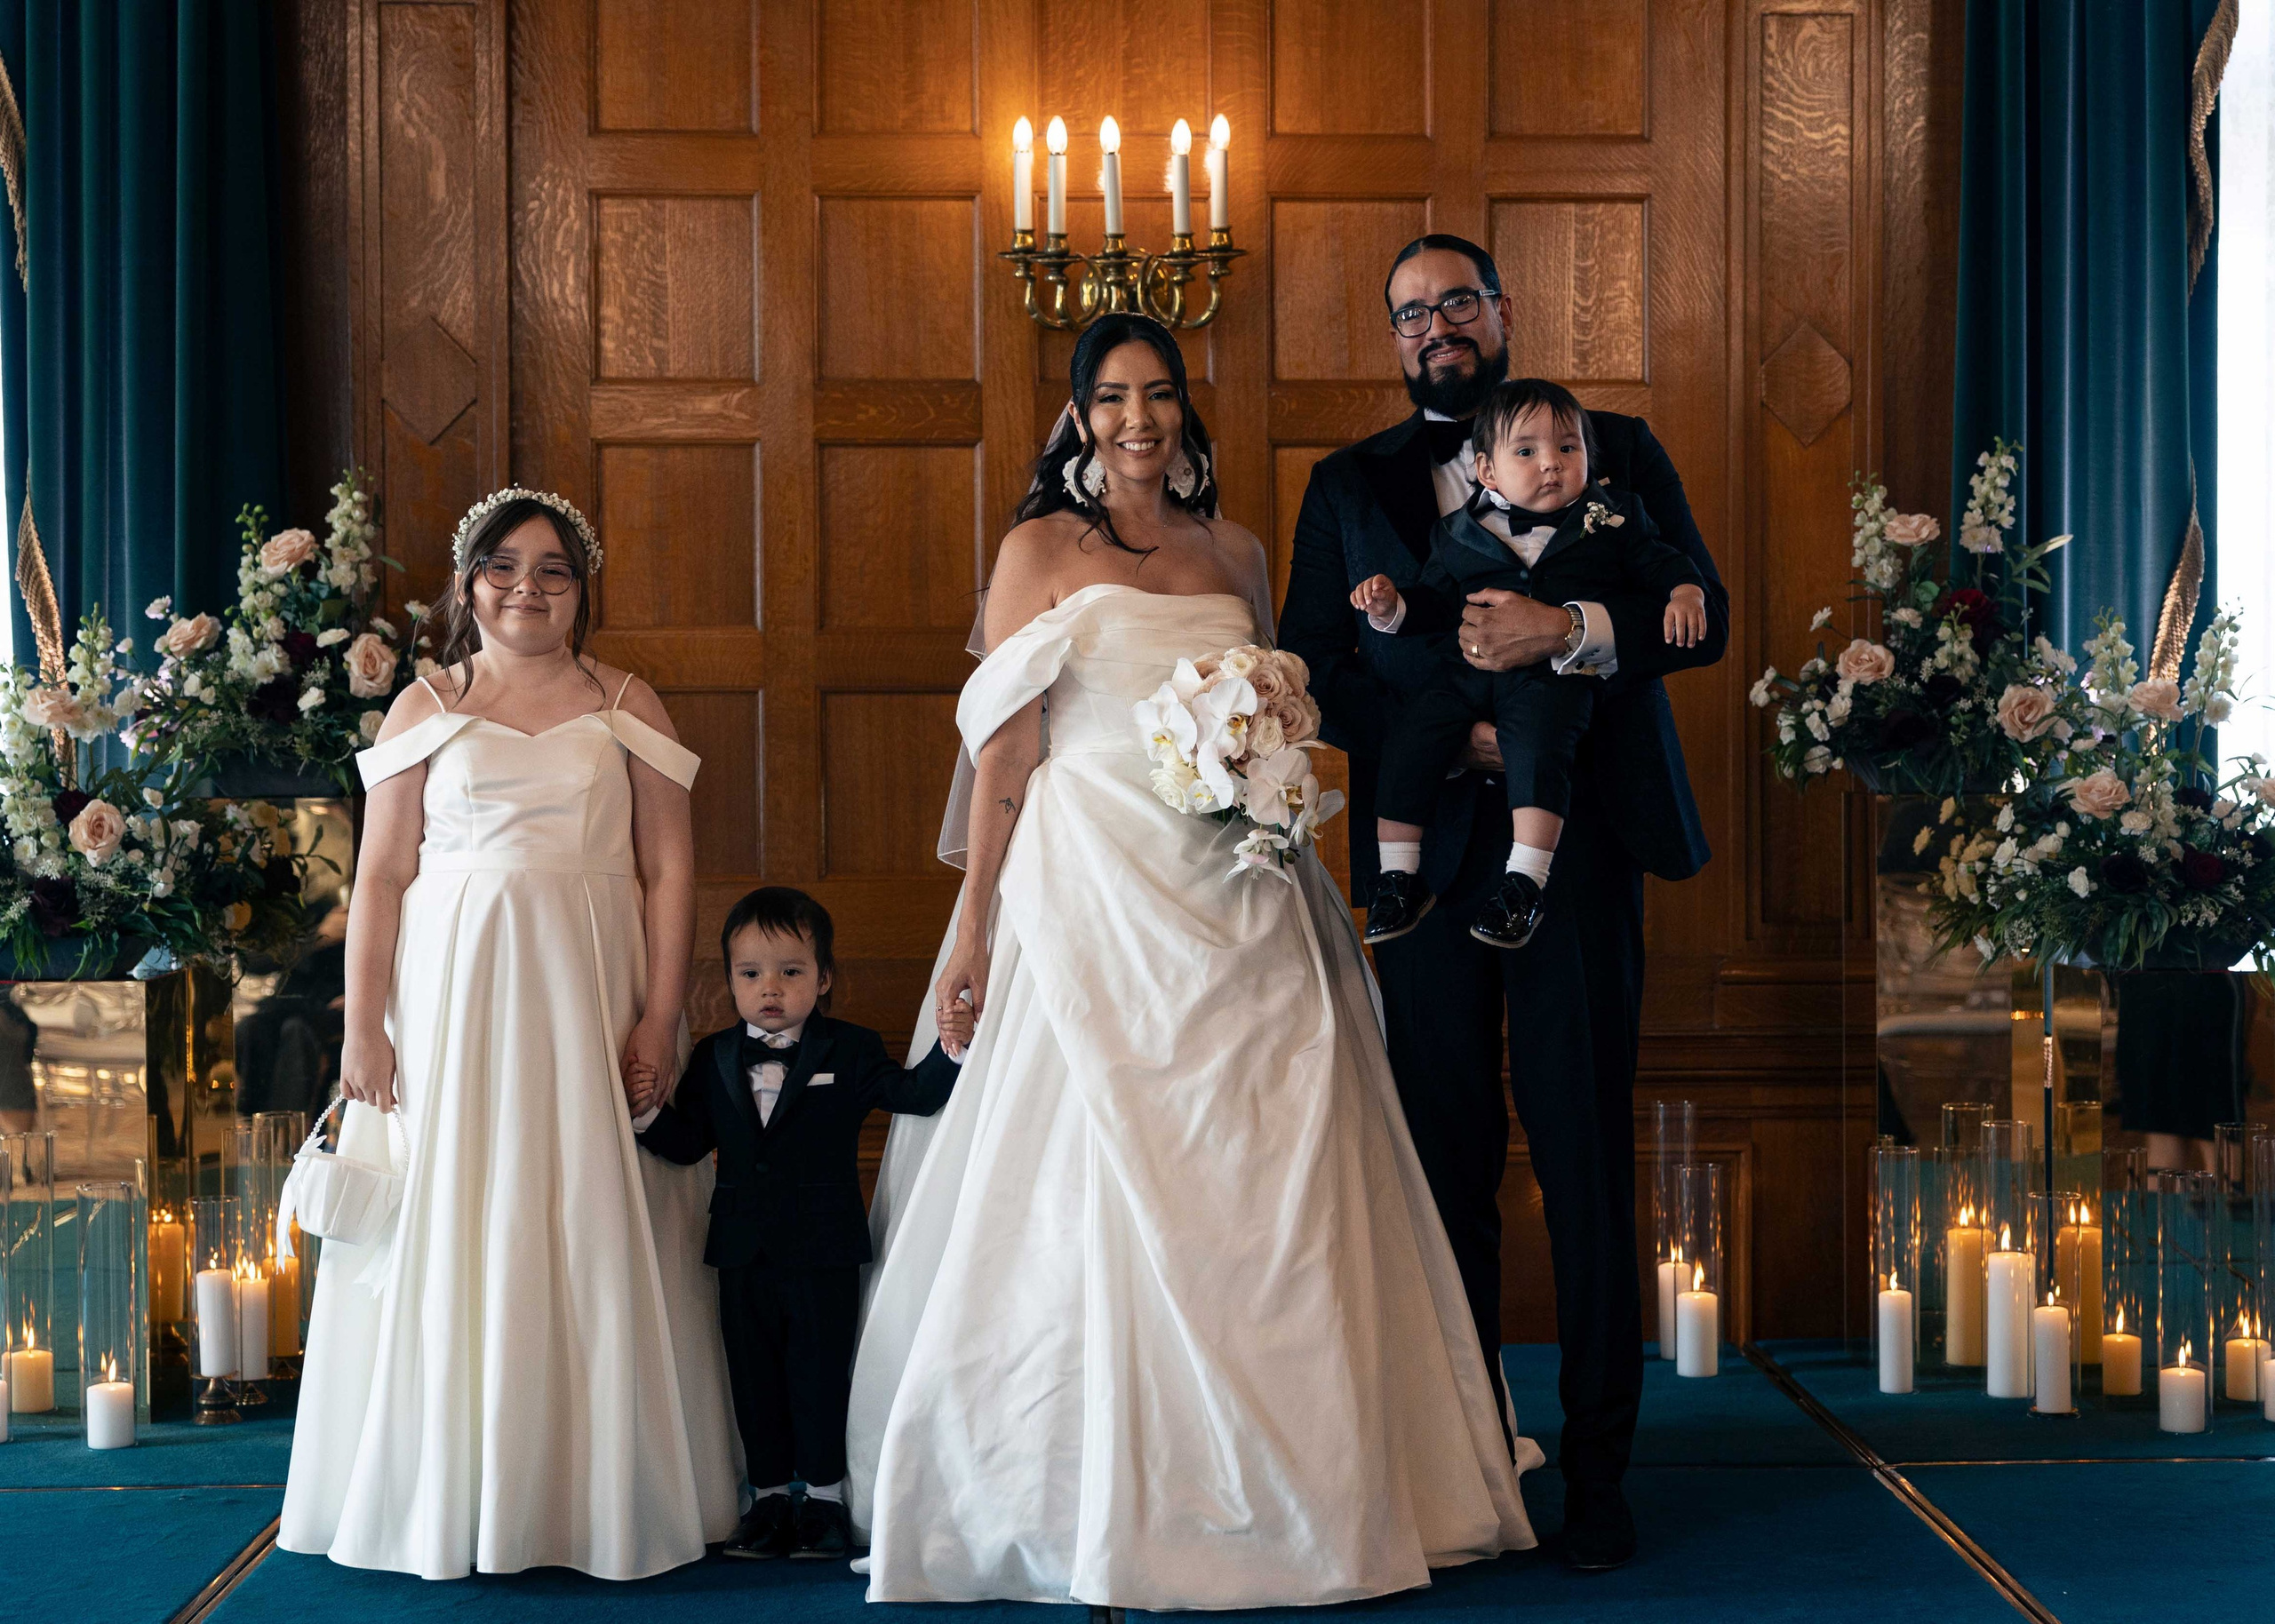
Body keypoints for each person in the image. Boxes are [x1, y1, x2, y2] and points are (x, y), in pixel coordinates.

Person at [846, 313, 1538, 1610]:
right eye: (1113, 399)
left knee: (1275, 1165)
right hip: (1089, 884)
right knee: (1086, 1177)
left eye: (1160, 396)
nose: (1140, 420)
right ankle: (1092, 1485)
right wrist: (981, 926)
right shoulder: (1037, 552)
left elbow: (1268, 704)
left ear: (1186, 412)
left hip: (1239, 883)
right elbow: (1006, 754)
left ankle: (1302, 1481)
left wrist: (1270, 786)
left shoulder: (1237, 549)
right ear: (1079, 417)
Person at [1279, 235, 1728, 1572]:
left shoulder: (1618, 449)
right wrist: (1443, 725)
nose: (1437, 327)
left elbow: (1701, 612)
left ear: (1504, 312)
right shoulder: (1347, 483)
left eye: (1458, 302)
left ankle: (1599, 1475)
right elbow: (1311, 659)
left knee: (1585, 1158)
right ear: (1395, 335)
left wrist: (1567, 638)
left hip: (1574, 852)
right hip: (1423, 867)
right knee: (1443, 1166)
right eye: (1411, 311)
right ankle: (1473, 1458)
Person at [279, 489, 741, 1580]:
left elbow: (667, 867)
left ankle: (594, 1491)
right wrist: (366, 1027)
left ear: (582, 588)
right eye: (503, 565)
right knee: (463, 1203)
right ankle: (450, 1486)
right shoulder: (423, 707)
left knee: (586, 1197)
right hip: (453, 997)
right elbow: (382, 874)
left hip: (589, 981)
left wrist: (662, 1012)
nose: (525, 586)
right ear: (466, 583)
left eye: (551, 569)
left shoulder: (630, 701)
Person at [629, 887, 970, 1563]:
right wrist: (644, 1115)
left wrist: (952, 1051)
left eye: (791, 971)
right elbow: (690, 1141)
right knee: (752, 1377)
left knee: (818, 1374)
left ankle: (821, 1499)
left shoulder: (850, 1047)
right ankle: (763, 1501)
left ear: (825, 978)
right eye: (750, 973)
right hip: (740, 1250)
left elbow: (913, 1096)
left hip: (824, 1249)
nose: (770, 989)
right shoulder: (713, 1056)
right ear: (728, 978)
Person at [1350, 378, 1706, 950]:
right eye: (1527, 451)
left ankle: (1525, 883)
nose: (1551, 463)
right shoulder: (1458, 532)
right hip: (1465, 674)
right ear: (1487, 472)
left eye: (1568, 448)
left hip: (1554, 677)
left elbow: (1666, 564)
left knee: (1540, 737)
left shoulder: (1613, 518)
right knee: (1412, 733)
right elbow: (1436, 603)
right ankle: (1399, 876)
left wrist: (1685, 594)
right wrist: (1393, 609)